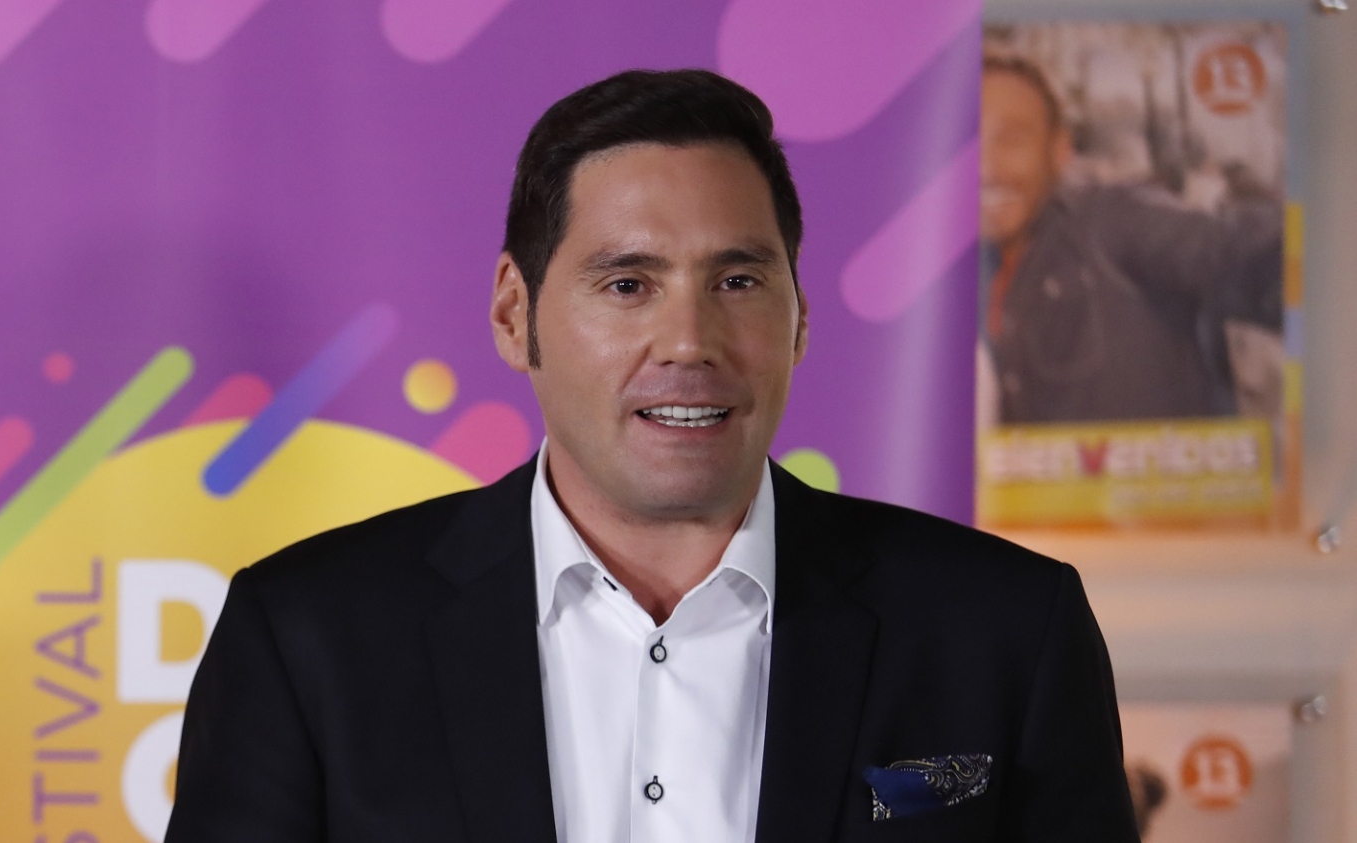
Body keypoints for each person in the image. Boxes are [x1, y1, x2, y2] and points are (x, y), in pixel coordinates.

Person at [167, 69, 1139, 842]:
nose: (688, 340)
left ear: (799, 317)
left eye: (737, 280)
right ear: (512, 313)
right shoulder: (309, 639)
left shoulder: (1007, 629)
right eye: (627, 284)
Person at [979, 54, 1283, 426]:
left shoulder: (1110, 221)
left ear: (1059, 152)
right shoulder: (962, 274)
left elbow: (1240, 253)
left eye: (1012, 139)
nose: (985, 168)